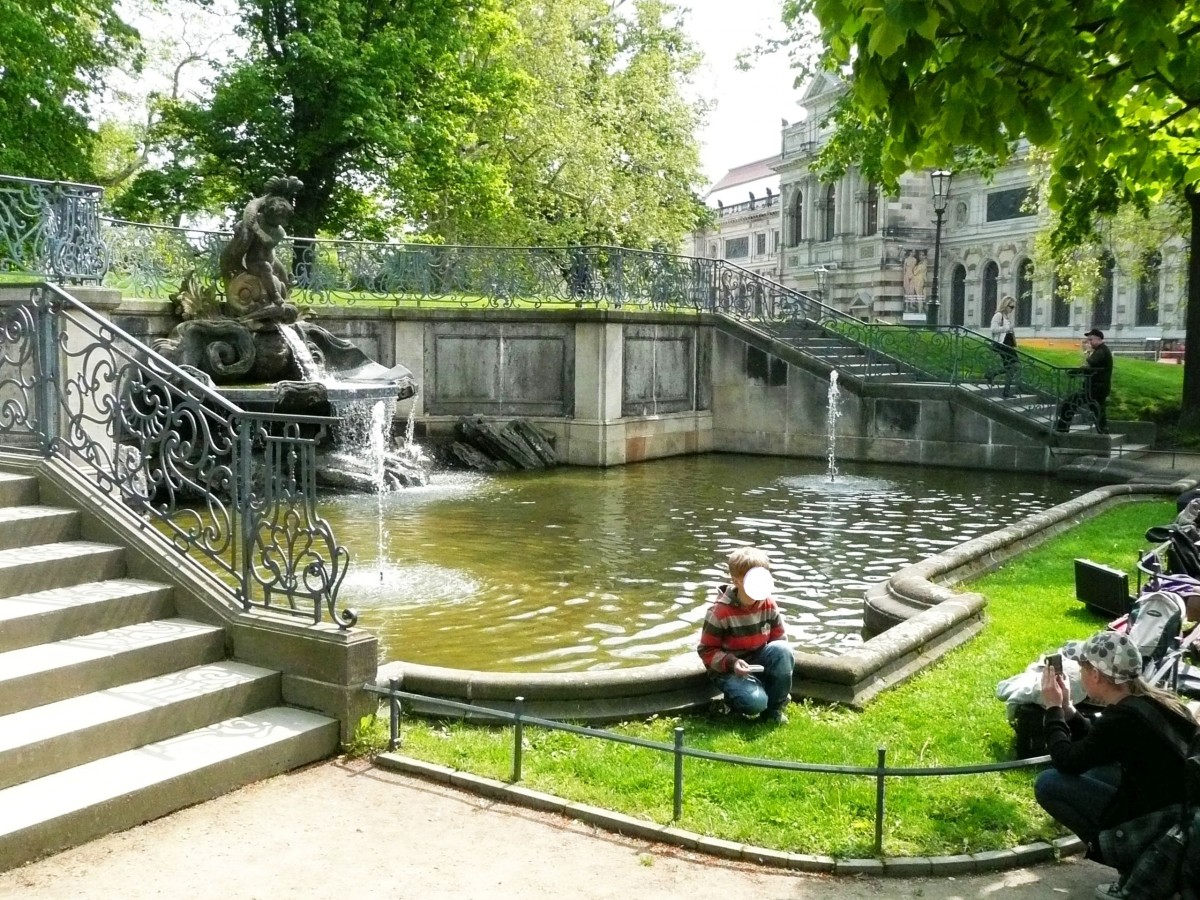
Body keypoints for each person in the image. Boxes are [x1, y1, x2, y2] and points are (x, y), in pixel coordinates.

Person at [1036, 630, 1198, 898]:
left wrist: (1052, 709)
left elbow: (1067, 762)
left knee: (1049, 783)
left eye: (1082, 668)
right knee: (1100, 768)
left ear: (1096, 675)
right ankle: (1136, 857)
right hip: (1179, 809)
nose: (1080, 674)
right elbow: (1099, 745)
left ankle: (1126, 856)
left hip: (1161, 823)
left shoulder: (1122, 719)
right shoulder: (1155, 701)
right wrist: (1069, 712)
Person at [697, 547, 794, 724]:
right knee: (756, 702)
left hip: (757, 661)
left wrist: (775, 672)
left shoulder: (768, 603)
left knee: (783, 650)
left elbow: (779, 640)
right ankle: (734, 702)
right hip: (729, 671)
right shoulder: (719, 612)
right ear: (737, 581)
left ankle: (773, 710)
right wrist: (732, 663)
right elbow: (706, 650)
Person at [1055, 328, 1113, 434]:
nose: (1089, 342)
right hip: (1097, 388)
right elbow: (1089, 367)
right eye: (1088, 340)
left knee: (1069, 403)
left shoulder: (1101, 351)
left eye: (1091, 340)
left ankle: (1062, 429)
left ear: (1099, 339)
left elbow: (1089, 364)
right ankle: (1103, 431)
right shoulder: (1102, 350)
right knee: (1098, 411)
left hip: (1095, 389)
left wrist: (1075, 371)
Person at [988, 295, 1019, 398]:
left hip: (1008, 344)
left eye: (1014, 307)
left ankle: (992, 375)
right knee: (1015, 365)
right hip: (1002, 345)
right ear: (1005, 305)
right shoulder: (998, 315)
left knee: (1011, 366)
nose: (1012, 309)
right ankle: (1005, 391)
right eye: (1011, 307)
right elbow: (993, 329)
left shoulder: (1006, 316)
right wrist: (1006, 328)